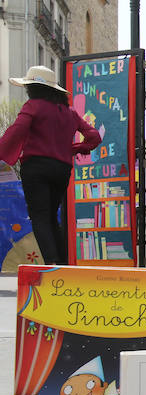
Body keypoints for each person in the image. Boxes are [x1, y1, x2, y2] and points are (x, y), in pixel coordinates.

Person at [0, 65, 101, 265]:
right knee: (52, 218)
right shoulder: (69, 112)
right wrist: (75, 149)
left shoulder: (33, 105)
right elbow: (94, 136)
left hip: (36, 167)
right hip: (62, 170)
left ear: (34, 88)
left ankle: (52, 264)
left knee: (39, 216)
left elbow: (16, 130)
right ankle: (62, 264)